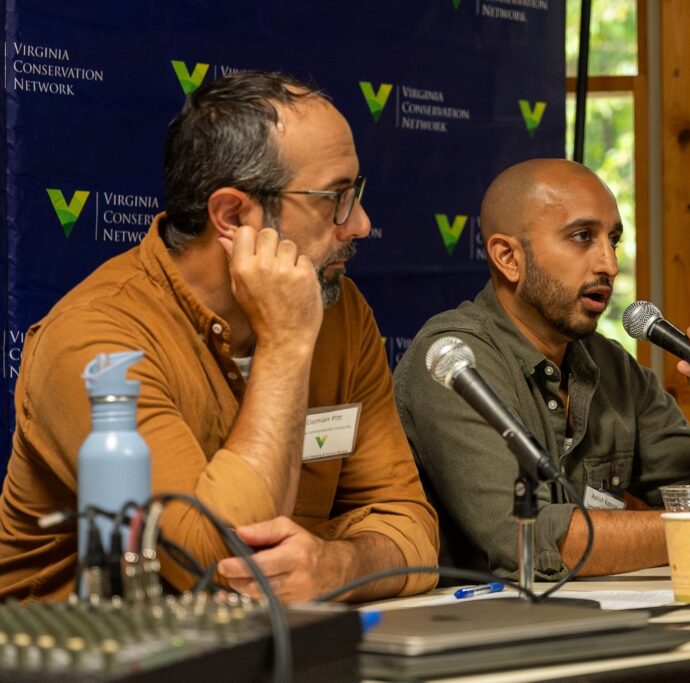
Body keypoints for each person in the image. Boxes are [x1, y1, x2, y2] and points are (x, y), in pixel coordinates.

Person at [0, 71, 439, 602]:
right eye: (335, 198)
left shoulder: (341, 313)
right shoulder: (96, 343)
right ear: (233, 215)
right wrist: (285, 345)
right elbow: (216, 564)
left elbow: (411, 528)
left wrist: (337, 564)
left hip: (267, 648)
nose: (361, 224)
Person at [393, 158, 690, 580]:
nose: (608, 263)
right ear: (508, 257)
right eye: (582, 237)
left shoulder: (610, 365)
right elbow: (530, 541)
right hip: (474, 639)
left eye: (613, 240)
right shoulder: (454, 360)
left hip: (605, 621)